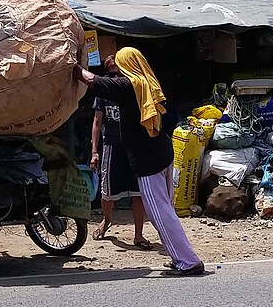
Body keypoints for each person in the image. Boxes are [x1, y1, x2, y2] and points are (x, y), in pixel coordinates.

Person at [74, 47, 204, 276]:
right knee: (166, 210)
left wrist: (70, 65)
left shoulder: (129, 85)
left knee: (159, 213)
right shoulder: (148, 82)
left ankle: (188, 261)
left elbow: (91, 79)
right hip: (163, 154)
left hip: (148, 161)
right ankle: (180, 257)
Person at [90, 55, 152, 250]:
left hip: (134, 146)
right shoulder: (104, 93)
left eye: (119, 73)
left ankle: (139, 235)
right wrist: (94, 151)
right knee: (107, 192)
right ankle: (106, 220)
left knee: (138, 193)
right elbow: (97, 122)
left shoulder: (137, 88)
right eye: (111, 74)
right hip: (112, 146)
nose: (115, 78)